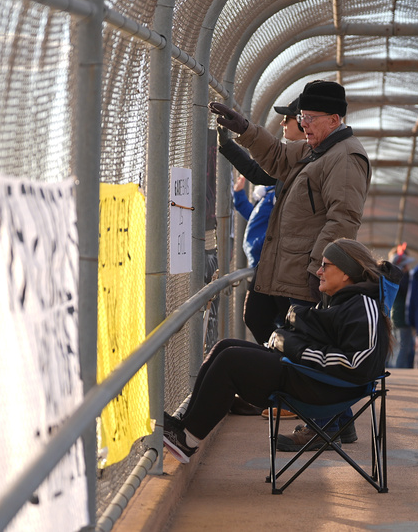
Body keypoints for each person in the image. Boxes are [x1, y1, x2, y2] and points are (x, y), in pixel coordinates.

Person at [162, 239, 395, 464]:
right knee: (224, 346)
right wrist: (286, 342)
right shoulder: (340, 301)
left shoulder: (364, 306)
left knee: (230, 361)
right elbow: (308, 337)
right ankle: (184, 427)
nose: (319, 272)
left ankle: (188, 439)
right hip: (309, 376)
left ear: (346, 273)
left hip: (325, 388)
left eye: (325, 266)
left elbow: (358, 363)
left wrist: (296, 349)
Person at [210, 80, 370, 335]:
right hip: (286, 266)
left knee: (293, 337)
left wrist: (320, 269)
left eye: (309, 117)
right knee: (259, 318)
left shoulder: (346, 158)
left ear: (334, 119)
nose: (303, 123)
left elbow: (343, 220)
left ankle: (280, 373)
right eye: (301, 116)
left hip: (307, 273)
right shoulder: (315, 149)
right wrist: (245, 129)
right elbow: (277, 156)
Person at [219, 97, 307, 343]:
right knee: (256, 316)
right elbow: (259, 173)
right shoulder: (290, 160)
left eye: (287, 118)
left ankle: (287, 364)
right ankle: (279, 360)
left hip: (293, 261)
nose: (282, 123)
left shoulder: (313, 161)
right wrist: (228, 145)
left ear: (302, 122)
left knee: (290, 320)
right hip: (274, 259)